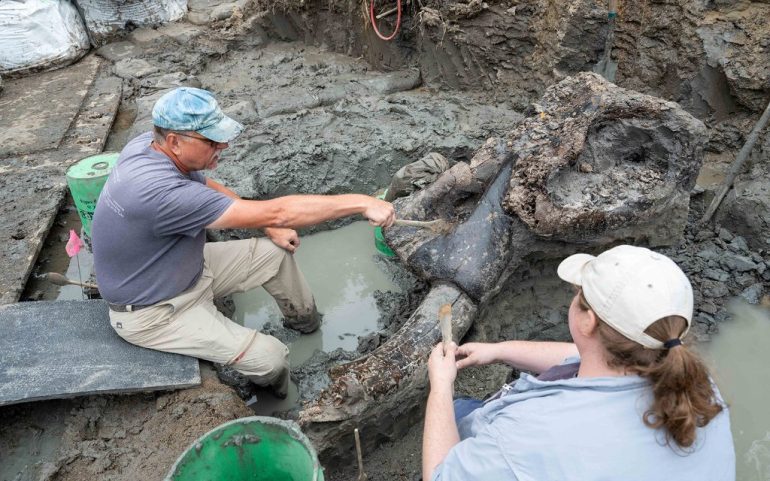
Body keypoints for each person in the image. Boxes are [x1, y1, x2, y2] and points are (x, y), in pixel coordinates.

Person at [91, 87, 395, 398]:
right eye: (211, 141)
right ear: (174, 141)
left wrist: (268, 226)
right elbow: (280, 211)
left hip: (182, 267)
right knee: (270, 358)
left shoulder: (147, 145)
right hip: (154, 310)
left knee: (274, 255)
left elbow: (209, 185)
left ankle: (306, 324)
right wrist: (360, 202)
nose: (222, 145)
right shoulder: (161, 195)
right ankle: (280, 397)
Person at [423, 245, 735, 480]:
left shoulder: (527, 435)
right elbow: (585, 356)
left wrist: (440, 385)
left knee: (455, 409)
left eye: (578, 294)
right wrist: (499, 350)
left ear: (587, 321)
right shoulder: (695, 383)